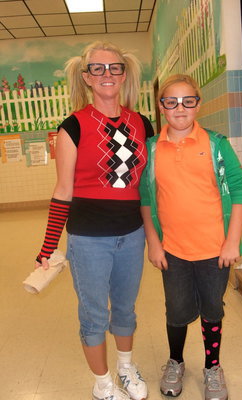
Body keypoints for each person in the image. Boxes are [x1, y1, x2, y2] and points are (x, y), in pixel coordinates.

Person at [35, 40, 154, 400]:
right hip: (88, 239)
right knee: (93, 315)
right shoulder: (72, 126)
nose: (107, 75)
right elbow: (63, 189)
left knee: (125, 309)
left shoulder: (142, 123)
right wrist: (48, 244)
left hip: (132, 235)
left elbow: (150, 187)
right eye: (98, 69)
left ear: (124, 73)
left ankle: (125, 367)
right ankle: (102, 384)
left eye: (114, 68)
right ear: (86, 77)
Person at [139, 74, 242, 400]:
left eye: (188, 101)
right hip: (173, 250)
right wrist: (154, 243)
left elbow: (240, 190)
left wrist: (232, 241)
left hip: (215, 250)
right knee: (177, 309)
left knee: (212, 309)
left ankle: (212, 367)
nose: (180, 108)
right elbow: (146, 198)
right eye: (171, 102)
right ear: (161, 107)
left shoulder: (216, 144)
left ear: (197, 104)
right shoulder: (152, 149)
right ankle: (175, 362)